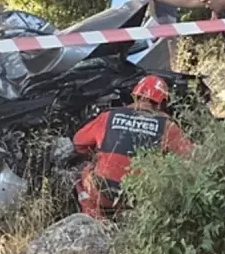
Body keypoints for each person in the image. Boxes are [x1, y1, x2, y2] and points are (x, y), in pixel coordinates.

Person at [72, 75, 194, 219]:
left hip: (103, 194)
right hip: (140, 198)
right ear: (161, 103)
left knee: (80, 176)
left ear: (135, 96)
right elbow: (191, 158)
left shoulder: (108, 116)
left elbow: (78, 142)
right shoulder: (168, 127)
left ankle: (93, 217)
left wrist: (97, 154)